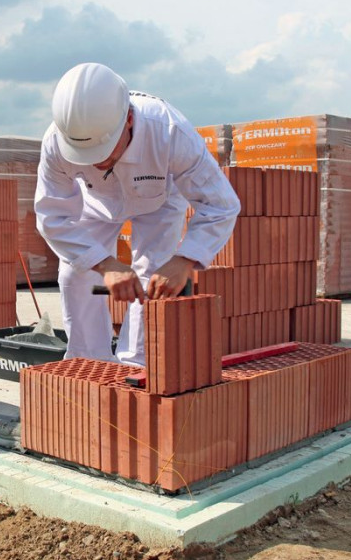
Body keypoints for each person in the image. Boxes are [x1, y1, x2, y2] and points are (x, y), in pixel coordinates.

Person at [35, 63, 241, 367]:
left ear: (129, 119)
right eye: (88, 156)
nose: (99, 161)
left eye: (105, 149)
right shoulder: (56, 143)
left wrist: (183, 260)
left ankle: (136, 366)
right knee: (75, 273)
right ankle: (90, 363)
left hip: (159, 199)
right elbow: (52, 217)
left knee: (153, 277)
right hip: (98, 202)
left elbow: (221, 204)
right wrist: (104, 264)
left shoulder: (169, 130)